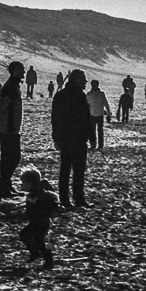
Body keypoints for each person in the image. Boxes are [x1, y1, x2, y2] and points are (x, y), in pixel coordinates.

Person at [51, 70, 93, 209]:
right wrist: (92, 136)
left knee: (65, 169)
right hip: (78, 138)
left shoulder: (60, 95)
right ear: (76, 80)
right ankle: (78, 199)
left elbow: (55, 119)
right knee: (78, 170)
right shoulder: (79, 96)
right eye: (83, 79)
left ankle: (65, 200)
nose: (85, 82)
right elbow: (86, 118)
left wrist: (56, 137)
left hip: (65, 138)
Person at [0, 61, 25, 198]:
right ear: (14, 71)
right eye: (21, 69)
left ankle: (6, 185)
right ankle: (3, 186)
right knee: (13, 157)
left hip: (10, 127)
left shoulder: (13, 85)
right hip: (9, 127)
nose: (23, 72)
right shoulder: (10, 86)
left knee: (8, 158)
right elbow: (2, 105)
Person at [18, 168, 60, 270]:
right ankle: (38, 254)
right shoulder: (40, 192)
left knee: (38, 240)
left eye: (24, 183)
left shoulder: (34, 195)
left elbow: (31, 210)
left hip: (39, 222)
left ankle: (45, 258)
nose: (22, 185)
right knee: (36, 239)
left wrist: (20, 215)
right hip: (41, 221)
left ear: (31, 183)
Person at [85, 78, 110, 151]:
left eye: (95, 85)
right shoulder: (89, 94)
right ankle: (93, 144)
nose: (94, 86)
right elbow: (86, 105)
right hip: (92, 114)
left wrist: (108, 113)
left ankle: (100, 145)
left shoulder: (101, 94)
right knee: (92, 131)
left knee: (100, 130)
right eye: (93, 85)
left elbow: (106, 103)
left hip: (100, 114)